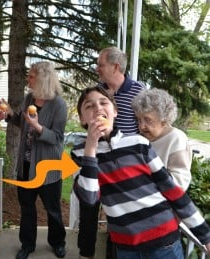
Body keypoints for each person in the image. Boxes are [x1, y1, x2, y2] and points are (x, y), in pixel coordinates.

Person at [72, 85, 210, 259]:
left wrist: (204, 233)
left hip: (164, 241)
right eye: (89, 106)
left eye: (103, 102)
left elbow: (172, 190)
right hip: (125, 247)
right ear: (82, 119)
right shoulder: (80, 153)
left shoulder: (138, 143)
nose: (98, 108)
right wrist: (91, 145)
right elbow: (89, 198)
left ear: (115, 111)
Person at [74, 46, 145, 259]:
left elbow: (144, 125)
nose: (97, 69)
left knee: (120, 211)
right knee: (89, 205)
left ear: (116, 66)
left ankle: (114, 252)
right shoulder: (99, 90)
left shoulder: (139, 91)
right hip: (97, 155)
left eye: (101, 65)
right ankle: (85, 252)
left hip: (124, 160)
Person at [0, 61, 67, 259]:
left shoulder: (58, 104)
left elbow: (58, 138)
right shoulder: (29, 99)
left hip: (48, 168)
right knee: (27, 208)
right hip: (26, 166)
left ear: (43, 78)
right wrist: (11, 114)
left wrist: (38, 127)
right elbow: (23, 122)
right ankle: (27, 245)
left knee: (52, 209)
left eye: (31, 76)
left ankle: (58, 242)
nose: (28, 79)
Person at [131, 88, 192, 191]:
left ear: (164, 120)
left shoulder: (176, 139)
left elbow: (180, 182)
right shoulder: (142, 138)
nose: (141, 126)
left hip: (162, 203)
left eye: (148, 120)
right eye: (139, 120)